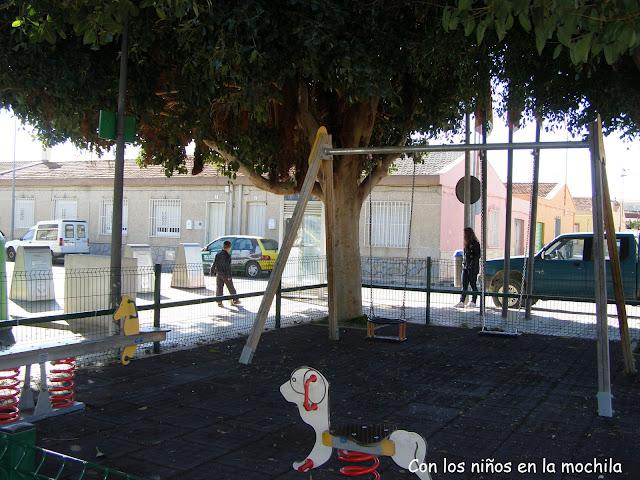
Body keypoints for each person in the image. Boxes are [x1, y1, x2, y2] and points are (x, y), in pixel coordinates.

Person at [455, 227, 481, 308]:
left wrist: (471, 265)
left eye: (465, 234)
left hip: (473, 268)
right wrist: (465, 264)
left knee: (473, 284)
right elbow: (466, 256)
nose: (463, 236)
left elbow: (477, 256)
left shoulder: (475, 243)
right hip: (466, 267)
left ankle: (473, 301)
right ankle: (461, 301)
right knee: (464, 285)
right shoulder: (466, 244)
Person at [211, 240, 241, 307]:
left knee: (219, 287)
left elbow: (214, 263)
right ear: (229, 247)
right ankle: (235, 300)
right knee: (231, 287)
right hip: (225, 274)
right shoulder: (228, 256)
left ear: (223, 246)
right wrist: (229, 275)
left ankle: (219, 301)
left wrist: (212, 271)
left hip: (219, 274)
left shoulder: (218, 254)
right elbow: (228, 267)